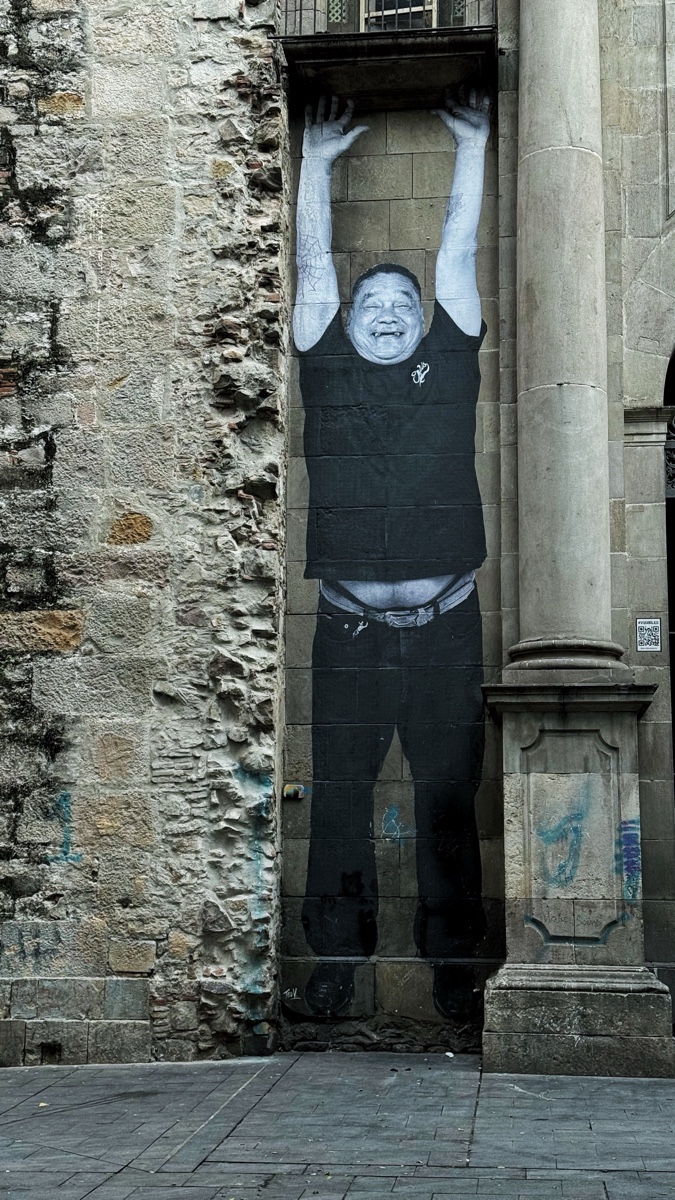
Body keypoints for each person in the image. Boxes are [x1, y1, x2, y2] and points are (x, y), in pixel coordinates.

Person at [293, 91, 490, 1018]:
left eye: (398, 303)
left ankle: (455, 974)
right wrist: (316, 164)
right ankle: (334, 968)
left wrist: (472, 147)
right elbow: (311, 271)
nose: (382, 312)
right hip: (349, 633)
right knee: (339, 797)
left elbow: (455, 256)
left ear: (422, 322)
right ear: (345, 323)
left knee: (448, 795)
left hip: (447, 627)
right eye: (367, 302)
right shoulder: (326, 368)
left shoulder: (447, 364)